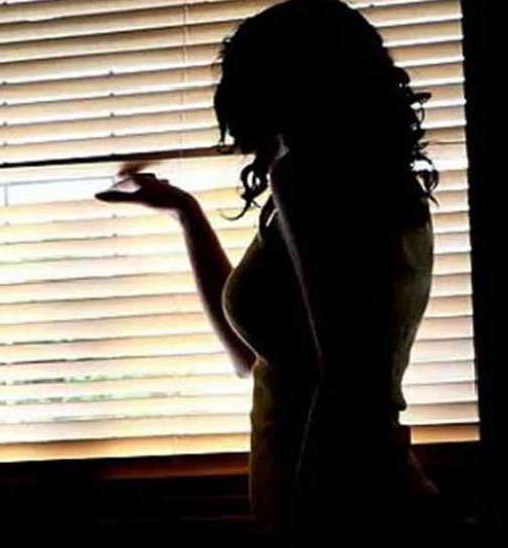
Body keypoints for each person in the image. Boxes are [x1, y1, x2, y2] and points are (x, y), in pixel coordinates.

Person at [95, 0, 445, 543]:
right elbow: (257, 359)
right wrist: (186, 211)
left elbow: (347, 384)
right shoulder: (388, 190)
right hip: (363, 493)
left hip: (340, 511)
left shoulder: (306, 179)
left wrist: (308, 523)